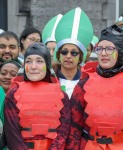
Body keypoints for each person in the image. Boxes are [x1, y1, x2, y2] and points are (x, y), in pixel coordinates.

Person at [80, 24, 123, 149]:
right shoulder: (83, 84)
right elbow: (74, 127)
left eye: (109, 49)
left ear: (119, 52)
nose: (104, 53)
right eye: (100, 49)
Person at [4, 42, 70, 150]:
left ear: (47, 65)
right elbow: (12, 134)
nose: (33, 67)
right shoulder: (13, 95)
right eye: (28, 61)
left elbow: (64, 133)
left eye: (39, 61)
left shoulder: (62, 96)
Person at [50, 7, 93, 149]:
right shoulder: (49, 80)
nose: (68, 56)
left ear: (81, 56)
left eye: (74, 53)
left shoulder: (89, 82)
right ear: (58, 55)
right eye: (64, 52)